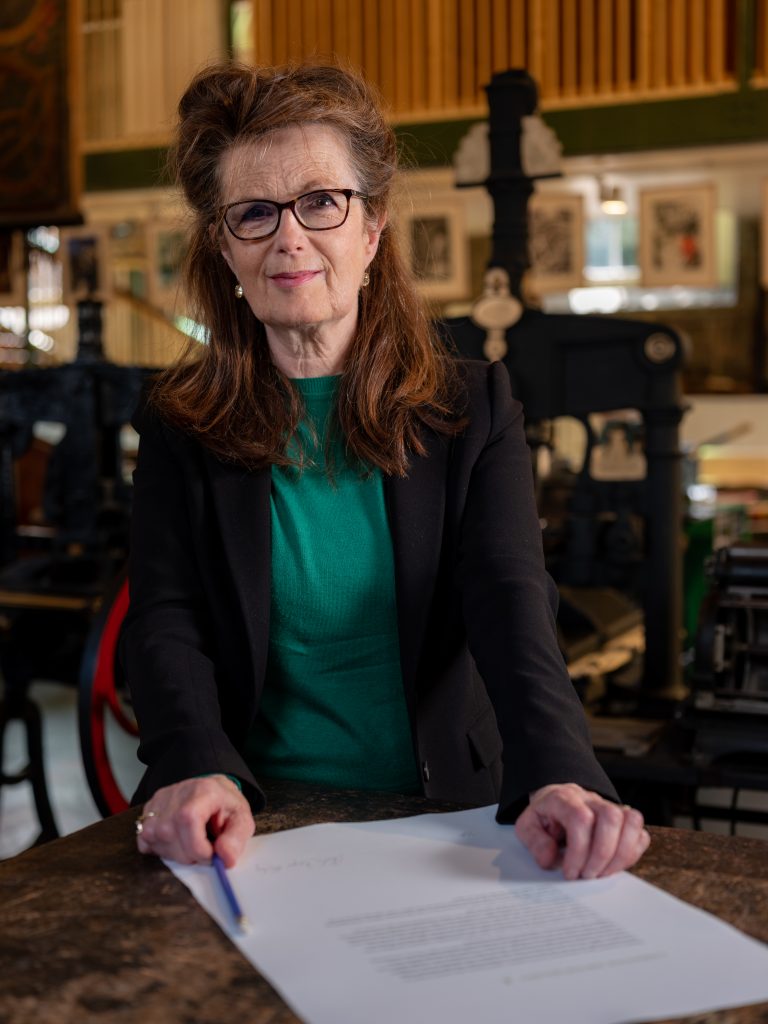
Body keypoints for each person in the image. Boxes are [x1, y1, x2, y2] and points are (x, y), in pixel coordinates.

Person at [123, 61, 650, 881]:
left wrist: (559, 766)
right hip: (249, 820)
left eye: (321, 202)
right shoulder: (178, 423)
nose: (289, 236)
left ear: (371, 231)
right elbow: (167, 619)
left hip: (446, 815)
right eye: (254, 214)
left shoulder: (474, 407)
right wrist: (197, 762)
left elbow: (509, 593)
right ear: (226, 248)